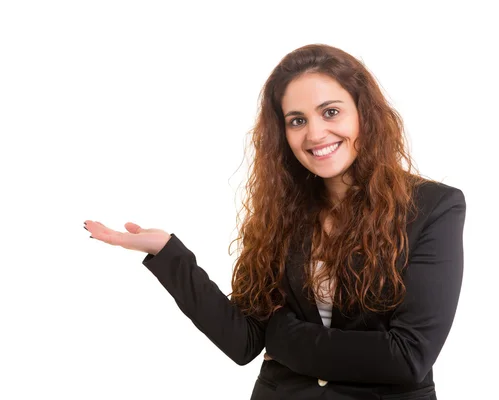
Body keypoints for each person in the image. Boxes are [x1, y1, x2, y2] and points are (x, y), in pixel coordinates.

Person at [84, 44, 466, 400]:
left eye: (330, 112)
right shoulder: (282, 212)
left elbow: (407, 357)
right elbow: (245, 342)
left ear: (364, 114)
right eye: (297, 120)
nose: (315, 133)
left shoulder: (433, 207)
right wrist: (168, 253)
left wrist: (282, 336)